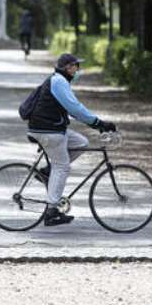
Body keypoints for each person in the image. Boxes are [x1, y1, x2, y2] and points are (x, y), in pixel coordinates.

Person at [27, 53, 116, 226]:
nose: (78, 70)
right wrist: (99, 123)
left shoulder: (60, 81)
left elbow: (74, 109)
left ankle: (47, 172)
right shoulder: (59, 82)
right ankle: (52, 211)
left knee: (82, 143)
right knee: (63, 165)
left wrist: (96, 123)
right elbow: (75, 109)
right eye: (76, 66)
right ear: (68, 67)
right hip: (47, 130)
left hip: (53, 128)